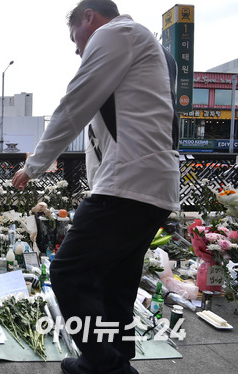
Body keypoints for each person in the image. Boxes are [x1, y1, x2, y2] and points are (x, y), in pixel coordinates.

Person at [11, 1, 180, 373]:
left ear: (89, 17)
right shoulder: (153, 48)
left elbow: (75, 104)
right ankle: (111, 358)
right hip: (152, 185)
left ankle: (107, 366)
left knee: (68, 271)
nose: (76, 48)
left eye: (75, 37)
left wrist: (34, 165)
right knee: (116, 280)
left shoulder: (116, 33)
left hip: (130, 184)